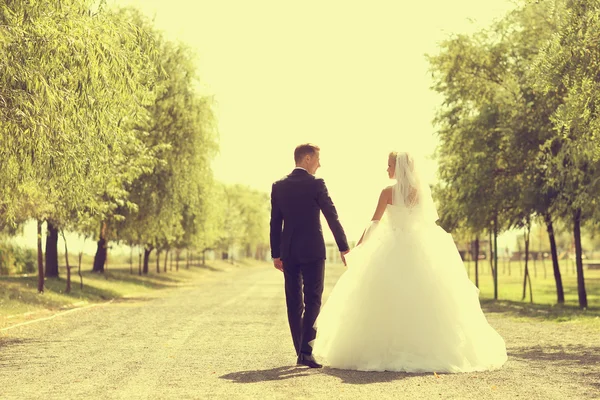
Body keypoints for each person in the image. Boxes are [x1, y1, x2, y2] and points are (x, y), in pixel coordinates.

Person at [311, 151, 508, 373]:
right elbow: (426, 223)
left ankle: (385, 349)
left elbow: (374, 222)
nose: (386, 169)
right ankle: (424, 347)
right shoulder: (422, 193)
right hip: (420, 247)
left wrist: (358, 248)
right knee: (425, 297)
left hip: (391, 247)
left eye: (389, 165)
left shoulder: (387, 192)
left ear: (399, 167)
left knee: (384, 296)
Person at [270, 143, 350, 368]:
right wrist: (344, 247)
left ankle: (301, 350)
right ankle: (306, 350)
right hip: (313, 251)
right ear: (306, 159)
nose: (319, 164)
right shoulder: (316, 184)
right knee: (313, 299)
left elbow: (275, 222)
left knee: (293, 301)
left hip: (288, 252)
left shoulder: (279, 186)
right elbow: (331, 216)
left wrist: (276, 253)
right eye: (317, 159)